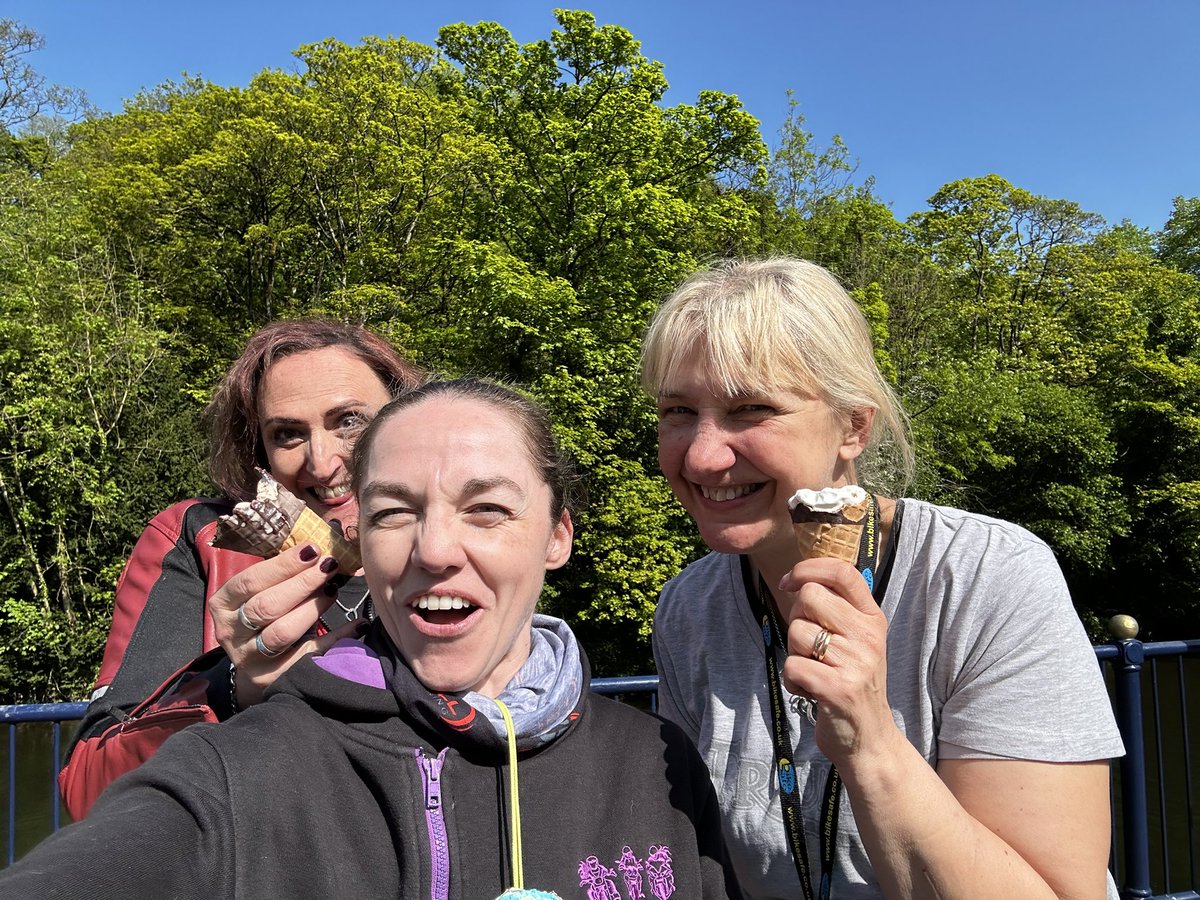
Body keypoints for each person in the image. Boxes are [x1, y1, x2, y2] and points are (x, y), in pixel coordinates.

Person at [3, 378, 742, 900]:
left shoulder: (658, 763)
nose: (435, 549)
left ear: (558, 536)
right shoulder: (240, 772)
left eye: (486, 508)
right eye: (393, 512)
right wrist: (232, 688)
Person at [640, 257, 1125, 900]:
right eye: (678, 410)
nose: (702, 455)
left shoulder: (985, 576)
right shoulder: (687, 610)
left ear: (853, 427)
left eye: (751, 408)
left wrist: (871, 744)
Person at [58, 318, 421, 819]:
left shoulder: (451, 552)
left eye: (350, 421)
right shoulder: (199, 538)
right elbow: (88, 787)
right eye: (288, 434)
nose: (322, 463)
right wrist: (233, 687)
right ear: (261, 451)